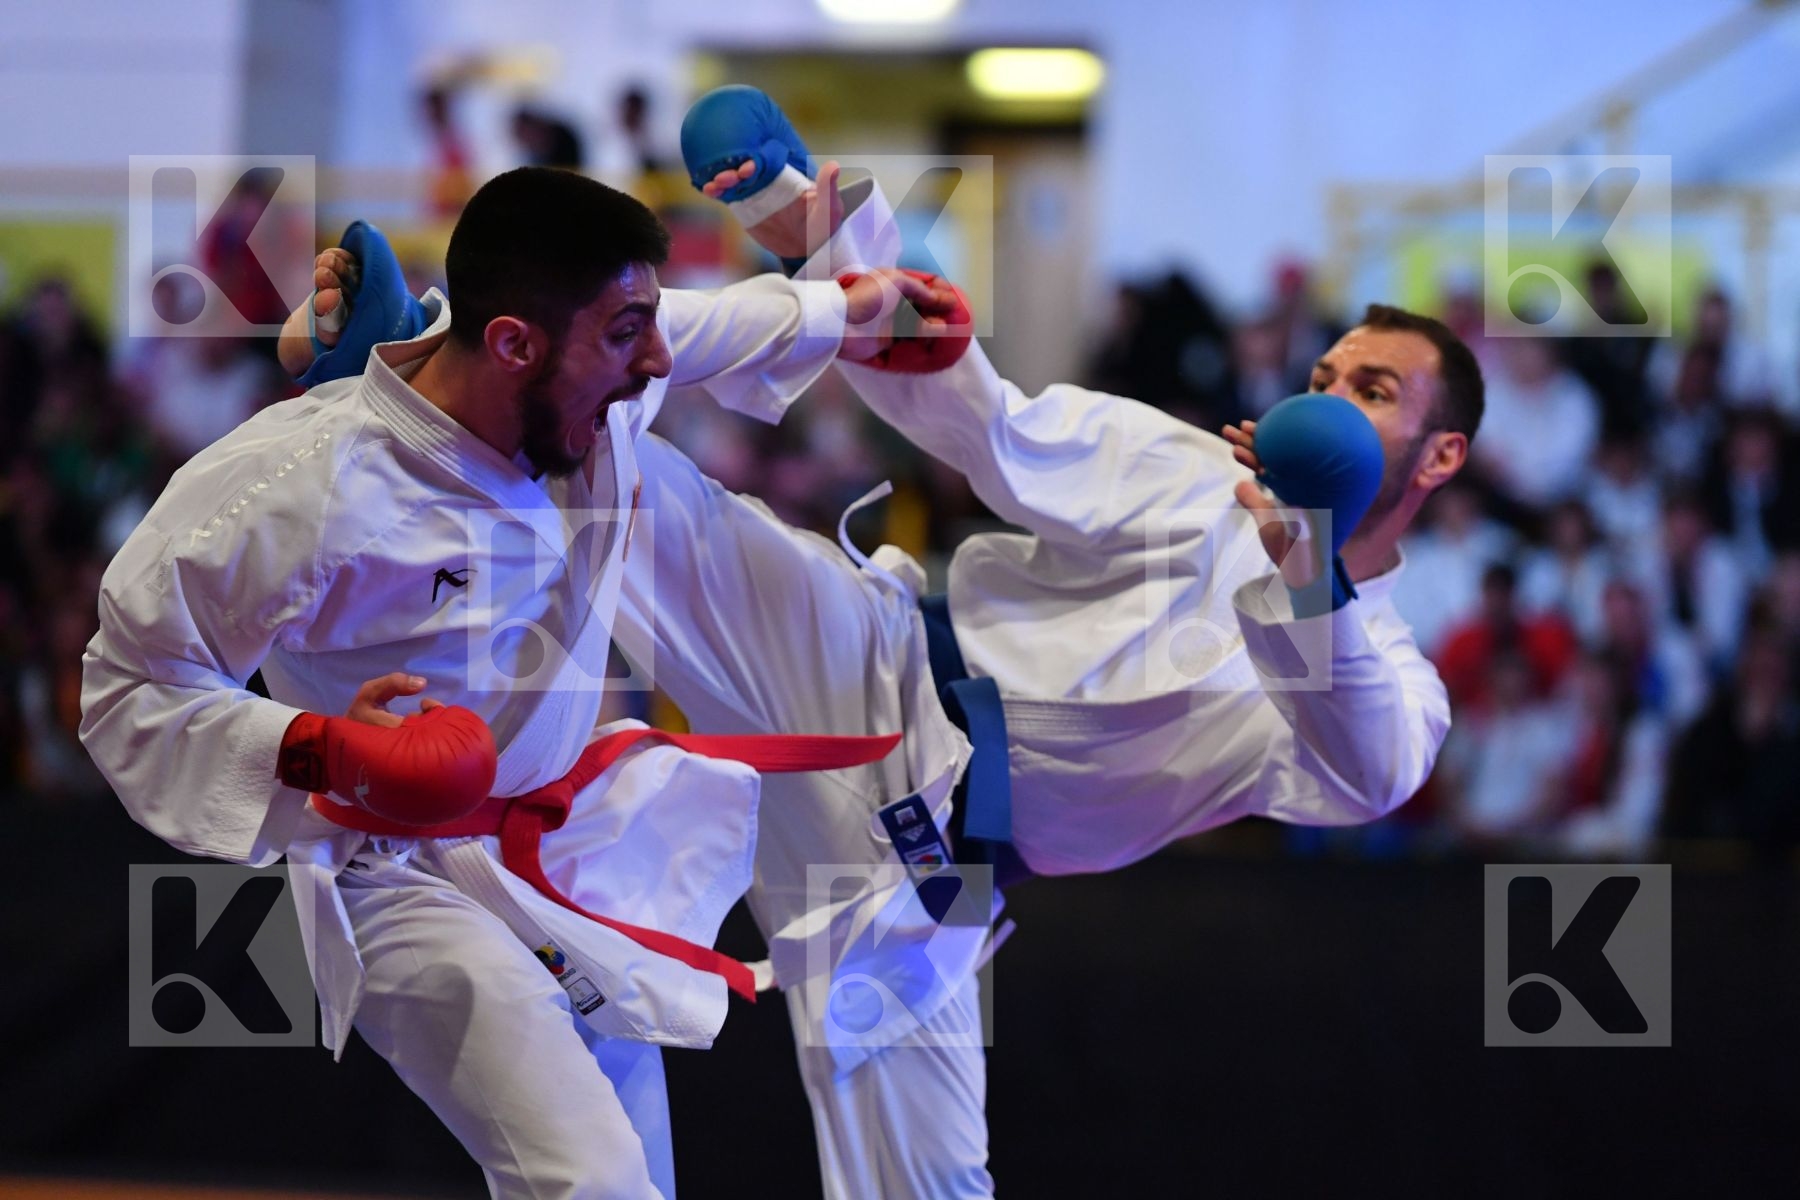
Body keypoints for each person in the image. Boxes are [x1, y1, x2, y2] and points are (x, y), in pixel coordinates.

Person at [81, 167, 936, 1199]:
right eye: (626, 331)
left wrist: (857, 308)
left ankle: (395, 336)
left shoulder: (590, 384)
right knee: (593, 1180)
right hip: (398, 876)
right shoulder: (302, 487)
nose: (654, 359)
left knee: (633, 1182)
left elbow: (713, 332)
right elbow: (130, 681)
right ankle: (380, 349)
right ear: (513, 343)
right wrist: (314, 747)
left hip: (568, 853)